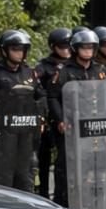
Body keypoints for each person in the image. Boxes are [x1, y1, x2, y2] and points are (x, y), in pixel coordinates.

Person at [0, 29, 46, 192]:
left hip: (26, 130)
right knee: (2, 173)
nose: (19, 54)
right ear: (5, 51)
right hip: (3, 132)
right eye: (15, 49)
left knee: (25, 172)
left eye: (22, 49)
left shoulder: (29, 72)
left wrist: (41, 118)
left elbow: (41, 96)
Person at [47, 28, 106, 206]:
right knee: (67, 166)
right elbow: (52, 97)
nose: (88, 51)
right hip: (71, 126)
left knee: (94, 165)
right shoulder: (64, 71)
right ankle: (63, 202)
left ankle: (93, 201)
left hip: (94, 127)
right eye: (84, 47)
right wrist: (60, 120)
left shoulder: (100, 71)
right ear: (75, 48)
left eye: (91, 47)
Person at [34, 29, 72, 199]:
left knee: (64, 161)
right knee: (43, 160)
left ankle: (63, 195)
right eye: (62, 46)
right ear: (53, 47)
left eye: (68, 46)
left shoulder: (73, 65)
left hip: (69, 117)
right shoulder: (43, 67)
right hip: (48, 119)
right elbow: (38, 92)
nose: (66, 50)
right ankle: (42, 193)